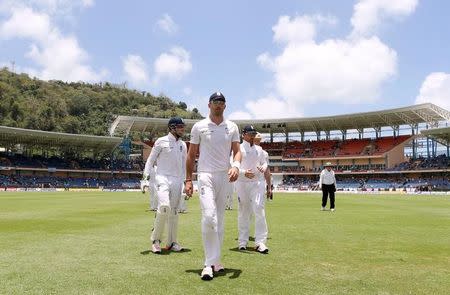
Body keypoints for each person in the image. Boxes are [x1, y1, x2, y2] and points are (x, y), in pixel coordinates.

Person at [185, 91, 241, 281]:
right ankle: (208, 264)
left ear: (225, 106)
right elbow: (191, 155)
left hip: (224, 176)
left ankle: (216, 260)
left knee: (220, 219)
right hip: (205, 175)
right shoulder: (199, 127)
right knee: (209, 217)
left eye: (221, 102)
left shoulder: (232, 126)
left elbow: (237, 152)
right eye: (215, 101)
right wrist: (188, 180)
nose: (218, 104)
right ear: (209, 105)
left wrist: (235, 166)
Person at [144, 117, 187, 253]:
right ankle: (156, 240)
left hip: (177, 180)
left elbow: (184, 166)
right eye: (180, 127)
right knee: (164, 207)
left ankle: (172, 242)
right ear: (172, 128)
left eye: (183, 127)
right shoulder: (160, 141)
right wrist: (145, 179)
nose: (182, 129)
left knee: (174, 212)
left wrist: (187, 183)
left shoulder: (183, 145)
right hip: (162, 178)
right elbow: (150, 161)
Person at [236, 126, 269, 254]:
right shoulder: (238, 148)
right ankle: (242, 242)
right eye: (250, 134)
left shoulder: (259, 149)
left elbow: (264, 163)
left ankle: (260, 242)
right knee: (244, 211)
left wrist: (263, 167)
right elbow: (232, 164)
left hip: (257, 182)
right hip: (242, 183)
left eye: (254, 134)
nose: (252, 136)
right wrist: (243, 172)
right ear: (243, 135)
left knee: (259, 209)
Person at [253, 133, 273, 200]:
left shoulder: (264, 154)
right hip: (247, 182)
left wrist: (269, 187)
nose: (257, 142)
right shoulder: (244, 150)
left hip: (260, 182)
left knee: (259, 207)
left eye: (258, 140)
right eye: (256, 140)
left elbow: (267, 172)